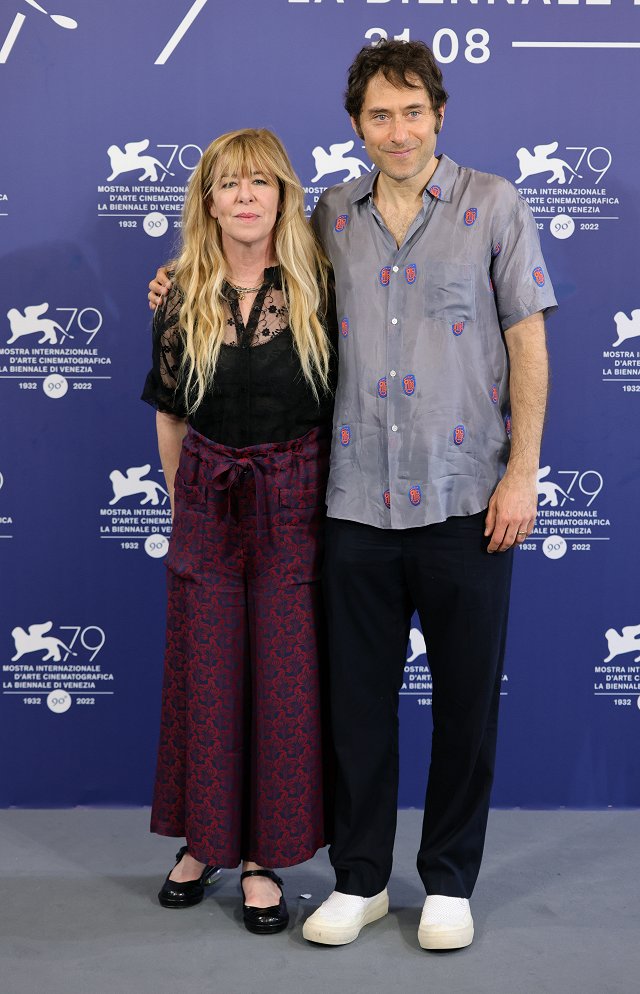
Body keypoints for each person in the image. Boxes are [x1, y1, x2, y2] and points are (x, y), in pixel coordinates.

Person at [148, 41, 557, 952]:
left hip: (466, 501)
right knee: (355, 708)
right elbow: (245, 265)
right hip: (350, 508)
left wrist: (523, 472)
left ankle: (448, 881)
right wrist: (179, 280)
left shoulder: (494, 204)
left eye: (412, 112)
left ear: (438, 116)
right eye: (379, 115)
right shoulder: (328, 217)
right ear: (356, 126)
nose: (398, 130)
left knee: (463, 705)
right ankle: (363, 878)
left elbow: (526, 341)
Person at [142, 128, 335, 935]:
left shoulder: (324, 286)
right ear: (209, 201)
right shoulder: (176, 292)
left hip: (296, 502)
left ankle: (262, 858)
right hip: (208, 502)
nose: (245, 196)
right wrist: (180, 497)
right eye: (229, 184)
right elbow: (171, 415)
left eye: (260, 181)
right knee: (207, 676)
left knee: (282, 682)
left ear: (285, 195)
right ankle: (203, 844)